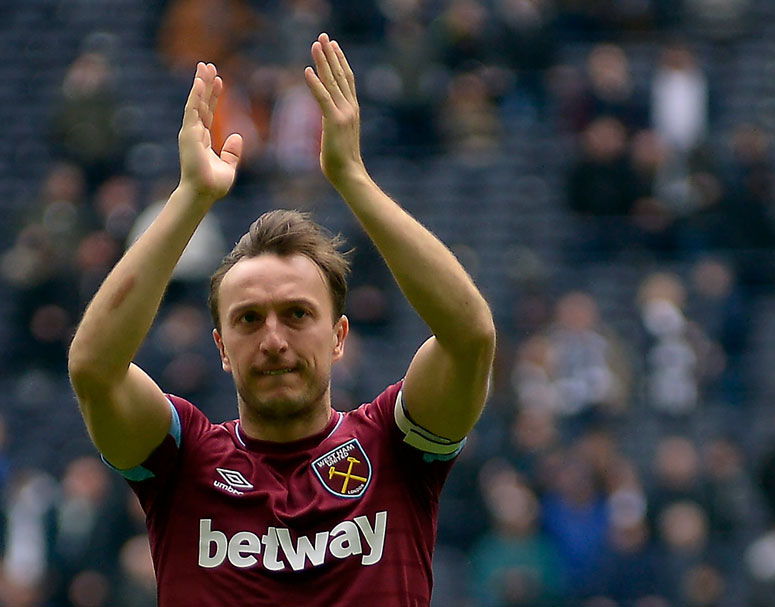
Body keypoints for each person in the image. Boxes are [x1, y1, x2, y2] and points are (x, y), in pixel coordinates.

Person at [67, 33, 496, 606]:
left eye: (297, 314)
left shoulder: (394, 448)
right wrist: (191, 198)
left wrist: (354, 180)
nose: (273, 340)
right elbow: (94, 368)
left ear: (340, 335)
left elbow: (470, 337)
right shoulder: (184, 462)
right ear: (220, 346)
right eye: (248, 320)